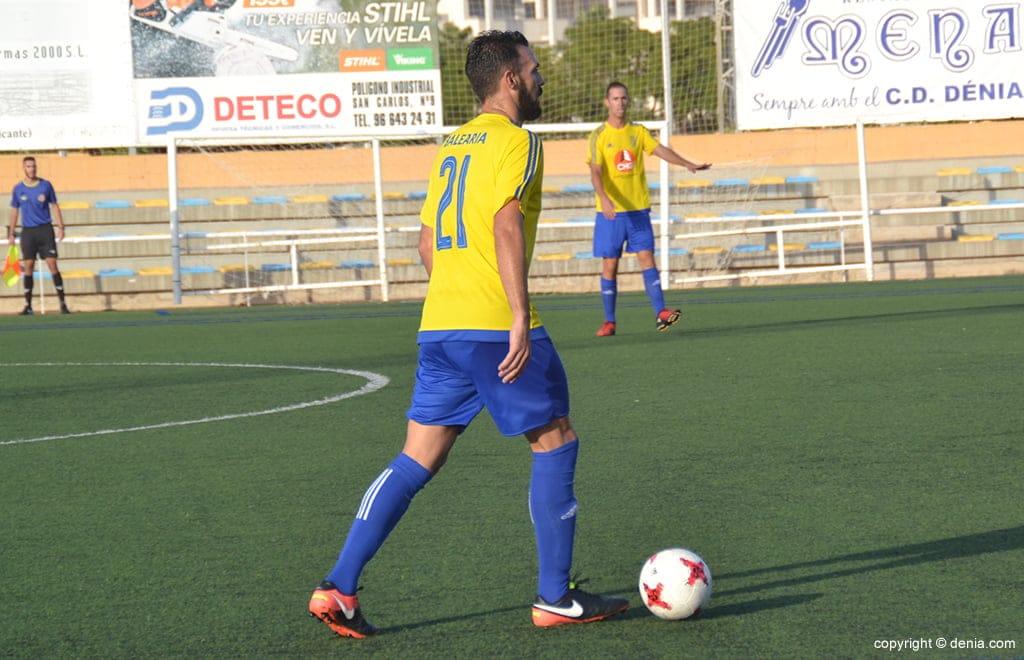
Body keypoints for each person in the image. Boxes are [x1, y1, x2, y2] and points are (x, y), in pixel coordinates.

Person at [307, 30, 628, 639]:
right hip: (492, 324)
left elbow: (426, 242)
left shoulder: (452, 145)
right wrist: (515, 315)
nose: (540, 78)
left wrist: (458, 295)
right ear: (510, 79)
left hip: (441, 326)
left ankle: (338, 587)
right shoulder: (519, 142)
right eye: (533, 69)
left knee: (416, 457)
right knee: (555, 440)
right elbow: (506, 222)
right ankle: (554, 597)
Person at [587, 81, 711, 337]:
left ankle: (661, 312)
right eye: (615, 98)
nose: (620, 103)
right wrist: (604, 197)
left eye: (624, 98)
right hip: (611, 213)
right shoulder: (598, 135)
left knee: (647, 258)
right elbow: (595, 171)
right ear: (607, 102)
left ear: (628, 101)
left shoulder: (637, 131)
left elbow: (660, 150)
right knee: (610, 266)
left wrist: (686, 163)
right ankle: (609, 321)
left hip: (638, 210)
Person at [8, 156, 70, 315]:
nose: (32, 169)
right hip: (28, 231)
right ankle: (28, 306)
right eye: (28, 166)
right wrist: (11, 232)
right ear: (24, 168)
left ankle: (63, 304)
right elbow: (14, 211)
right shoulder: (18, 189)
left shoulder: (45, 185)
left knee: (52, 264)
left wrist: (61, 227)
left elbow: (54, 205)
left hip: (45, 230)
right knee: (28, 266)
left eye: (34, 166)